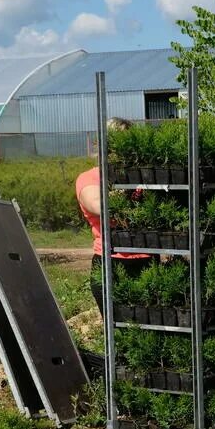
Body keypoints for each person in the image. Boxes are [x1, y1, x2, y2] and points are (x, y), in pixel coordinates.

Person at [76, 117, 153, 315]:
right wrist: (126, 187)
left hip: (147, 260)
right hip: (111, 262)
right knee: (119, 331)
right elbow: (98, 205)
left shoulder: (143, 176)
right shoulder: (90, 178)